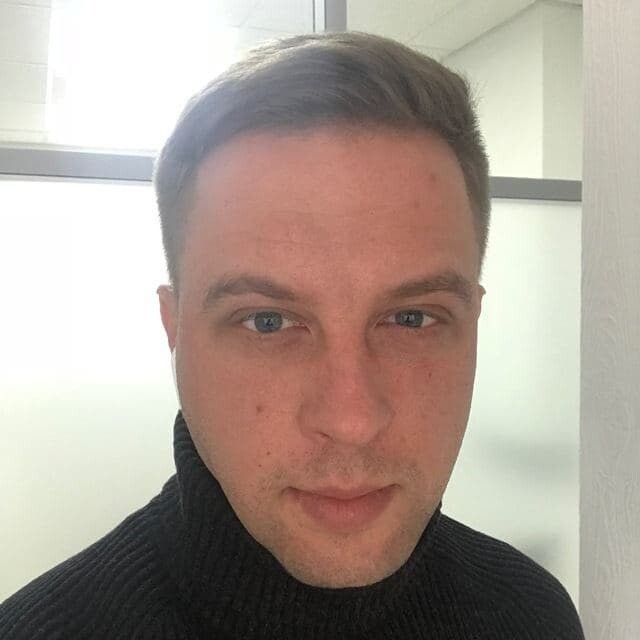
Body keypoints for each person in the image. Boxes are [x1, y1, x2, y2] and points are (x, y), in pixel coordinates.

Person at [0, 32, 584, 639]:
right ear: (175, 331)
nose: (351, 419)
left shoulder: (531, 613)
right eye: (268, 322)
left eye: (411, 318)